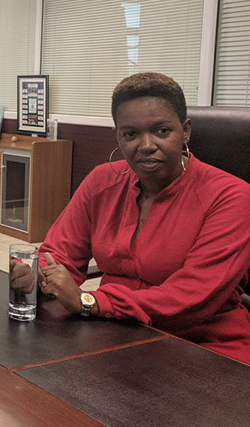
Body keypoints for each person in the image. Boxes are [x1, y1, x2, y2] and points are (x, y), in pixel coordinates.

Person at [38, 72, 250, 364]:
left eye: (162, 131)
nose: (146, 144)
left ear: (186, 131)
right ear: (118, 136)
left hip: (205, 349)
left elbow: (192, 297)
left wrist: (91, 301)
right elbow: (57, 254)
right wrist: (37, 277)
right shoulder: (102, 181)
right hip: (116, 335)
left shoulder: (232, 196)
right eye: (131, 134)